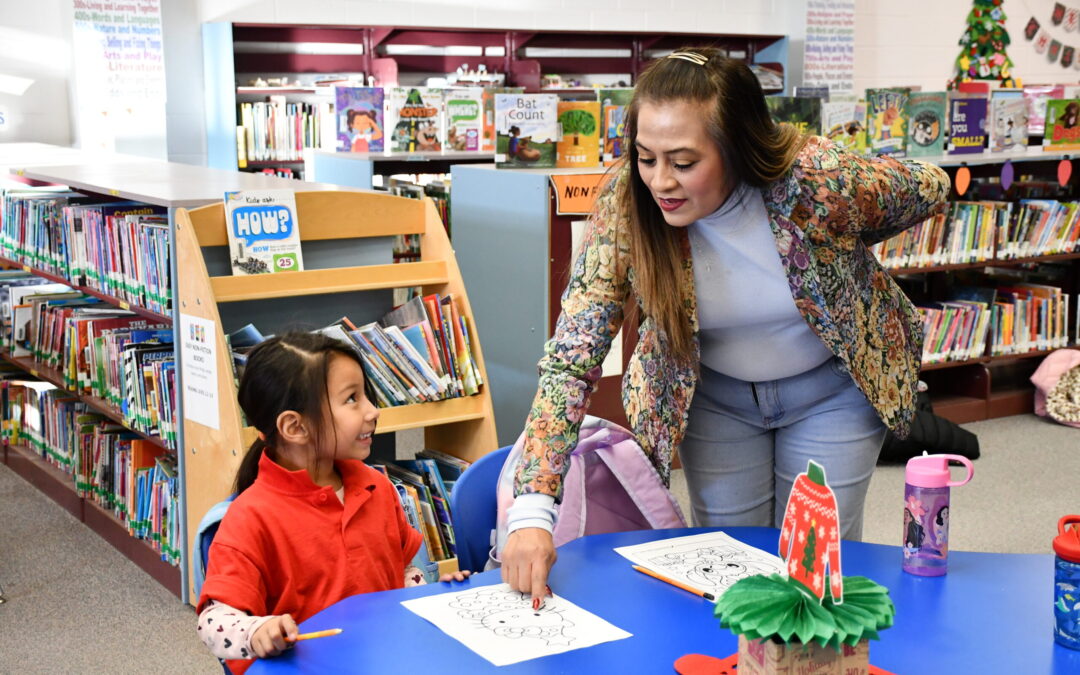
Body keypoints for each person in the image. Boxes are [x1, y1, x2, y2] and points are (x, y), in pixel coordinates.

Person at [500, 48, 950, 604]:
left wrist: (844, 242)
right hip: (716, 398)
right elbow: (572, 357)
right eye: (645, 157)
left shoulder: (814, 179)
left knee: (812, 572)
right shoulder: (628, 206)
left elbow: (929, 185)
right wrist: (532, 510)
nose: (660, 181)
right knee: (725, 571)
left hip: (831, 392)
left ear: (736, 147)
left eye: (684, 162)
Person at [196, 332, 468, 674]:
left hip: (385, 661)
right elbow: (213, 622)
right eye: (352, 399)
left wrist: (427, 596)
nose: (372, 411)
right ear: (295, 427)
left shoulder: (377, 488)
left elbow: (400, 573)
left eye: (365, 395)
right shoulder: (250, 518)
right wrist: (257, 631)